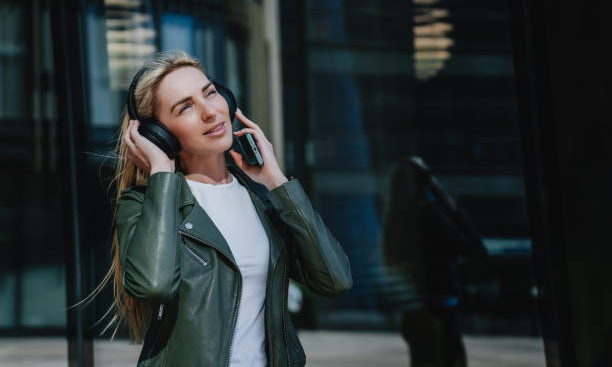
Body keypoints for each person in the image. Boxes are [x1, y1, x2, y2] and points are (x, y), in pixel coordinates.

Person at [88, 50, 353, 366]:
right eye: (185, 107)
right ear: (159, 134)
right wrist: (161, 169)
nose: (210, 112)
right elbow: (153, 285)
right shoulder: (144, 205)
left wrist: (277, 183)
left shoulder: (262, 203)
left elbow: (335, 279)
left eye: (210, 93)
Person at [382, 156, 486, 367]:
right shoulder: (429, 217)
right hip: (439, 313)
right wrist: (447, 203)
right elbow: (476, 248)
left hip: (413, 314)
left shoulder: (395, 220)